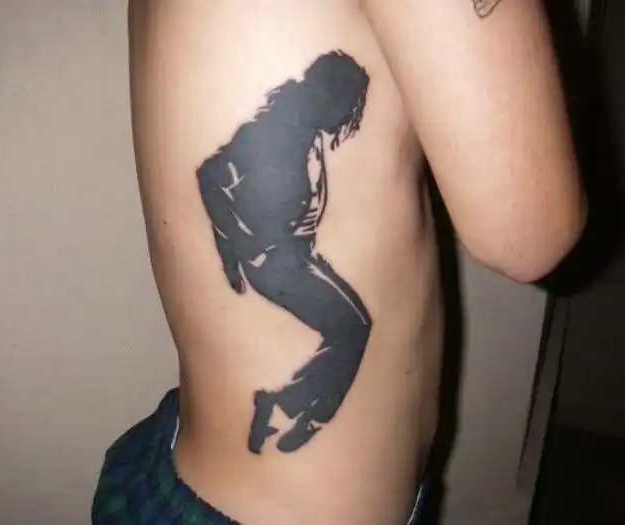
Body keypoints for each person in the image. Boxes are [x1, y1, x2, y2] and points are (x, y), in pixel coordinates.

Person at [93, 0, 587, 523]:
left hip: (193, 468)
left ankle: (282, 406)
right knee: (352, 329)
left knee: (351, 327)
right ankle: (288, 409)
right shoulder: (279, 128)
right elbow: (531, 236)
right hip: (270, 502)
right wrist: (234, 251)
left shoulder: (296, 125)